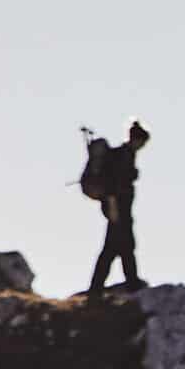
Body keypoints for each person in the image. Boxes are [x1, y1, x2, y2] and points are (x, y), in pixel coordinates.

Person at [79, 121, 149, 294]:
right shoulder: (123, 156)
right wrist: (113, 208)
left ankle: (106, 285)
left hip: (120, 210)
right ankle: (122, 284)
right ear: (137, 140)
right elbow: (113, 185)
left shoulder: (126, 155)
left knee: (119, 248)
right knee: (117, 249)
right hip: (118, 210)